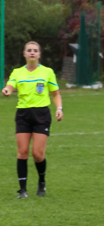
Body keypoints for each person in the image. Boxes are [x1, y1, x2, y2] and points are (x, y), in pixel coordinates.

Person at [2, 41, 63, 198]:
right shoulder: (17, 72)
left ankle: (41, 181)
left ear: (39, 54)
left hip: (41, 114)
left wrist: (59, 108)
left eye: (35, 50)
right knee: (22, 152)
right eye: (29, 50)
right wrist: (7, 90)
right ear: (24, 54)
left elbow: (55, 94)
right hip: (23, 115)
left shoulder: (47, 72)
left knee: (37, 154)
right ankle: (22, 190)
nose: (32, 53)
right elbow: (10, 85)